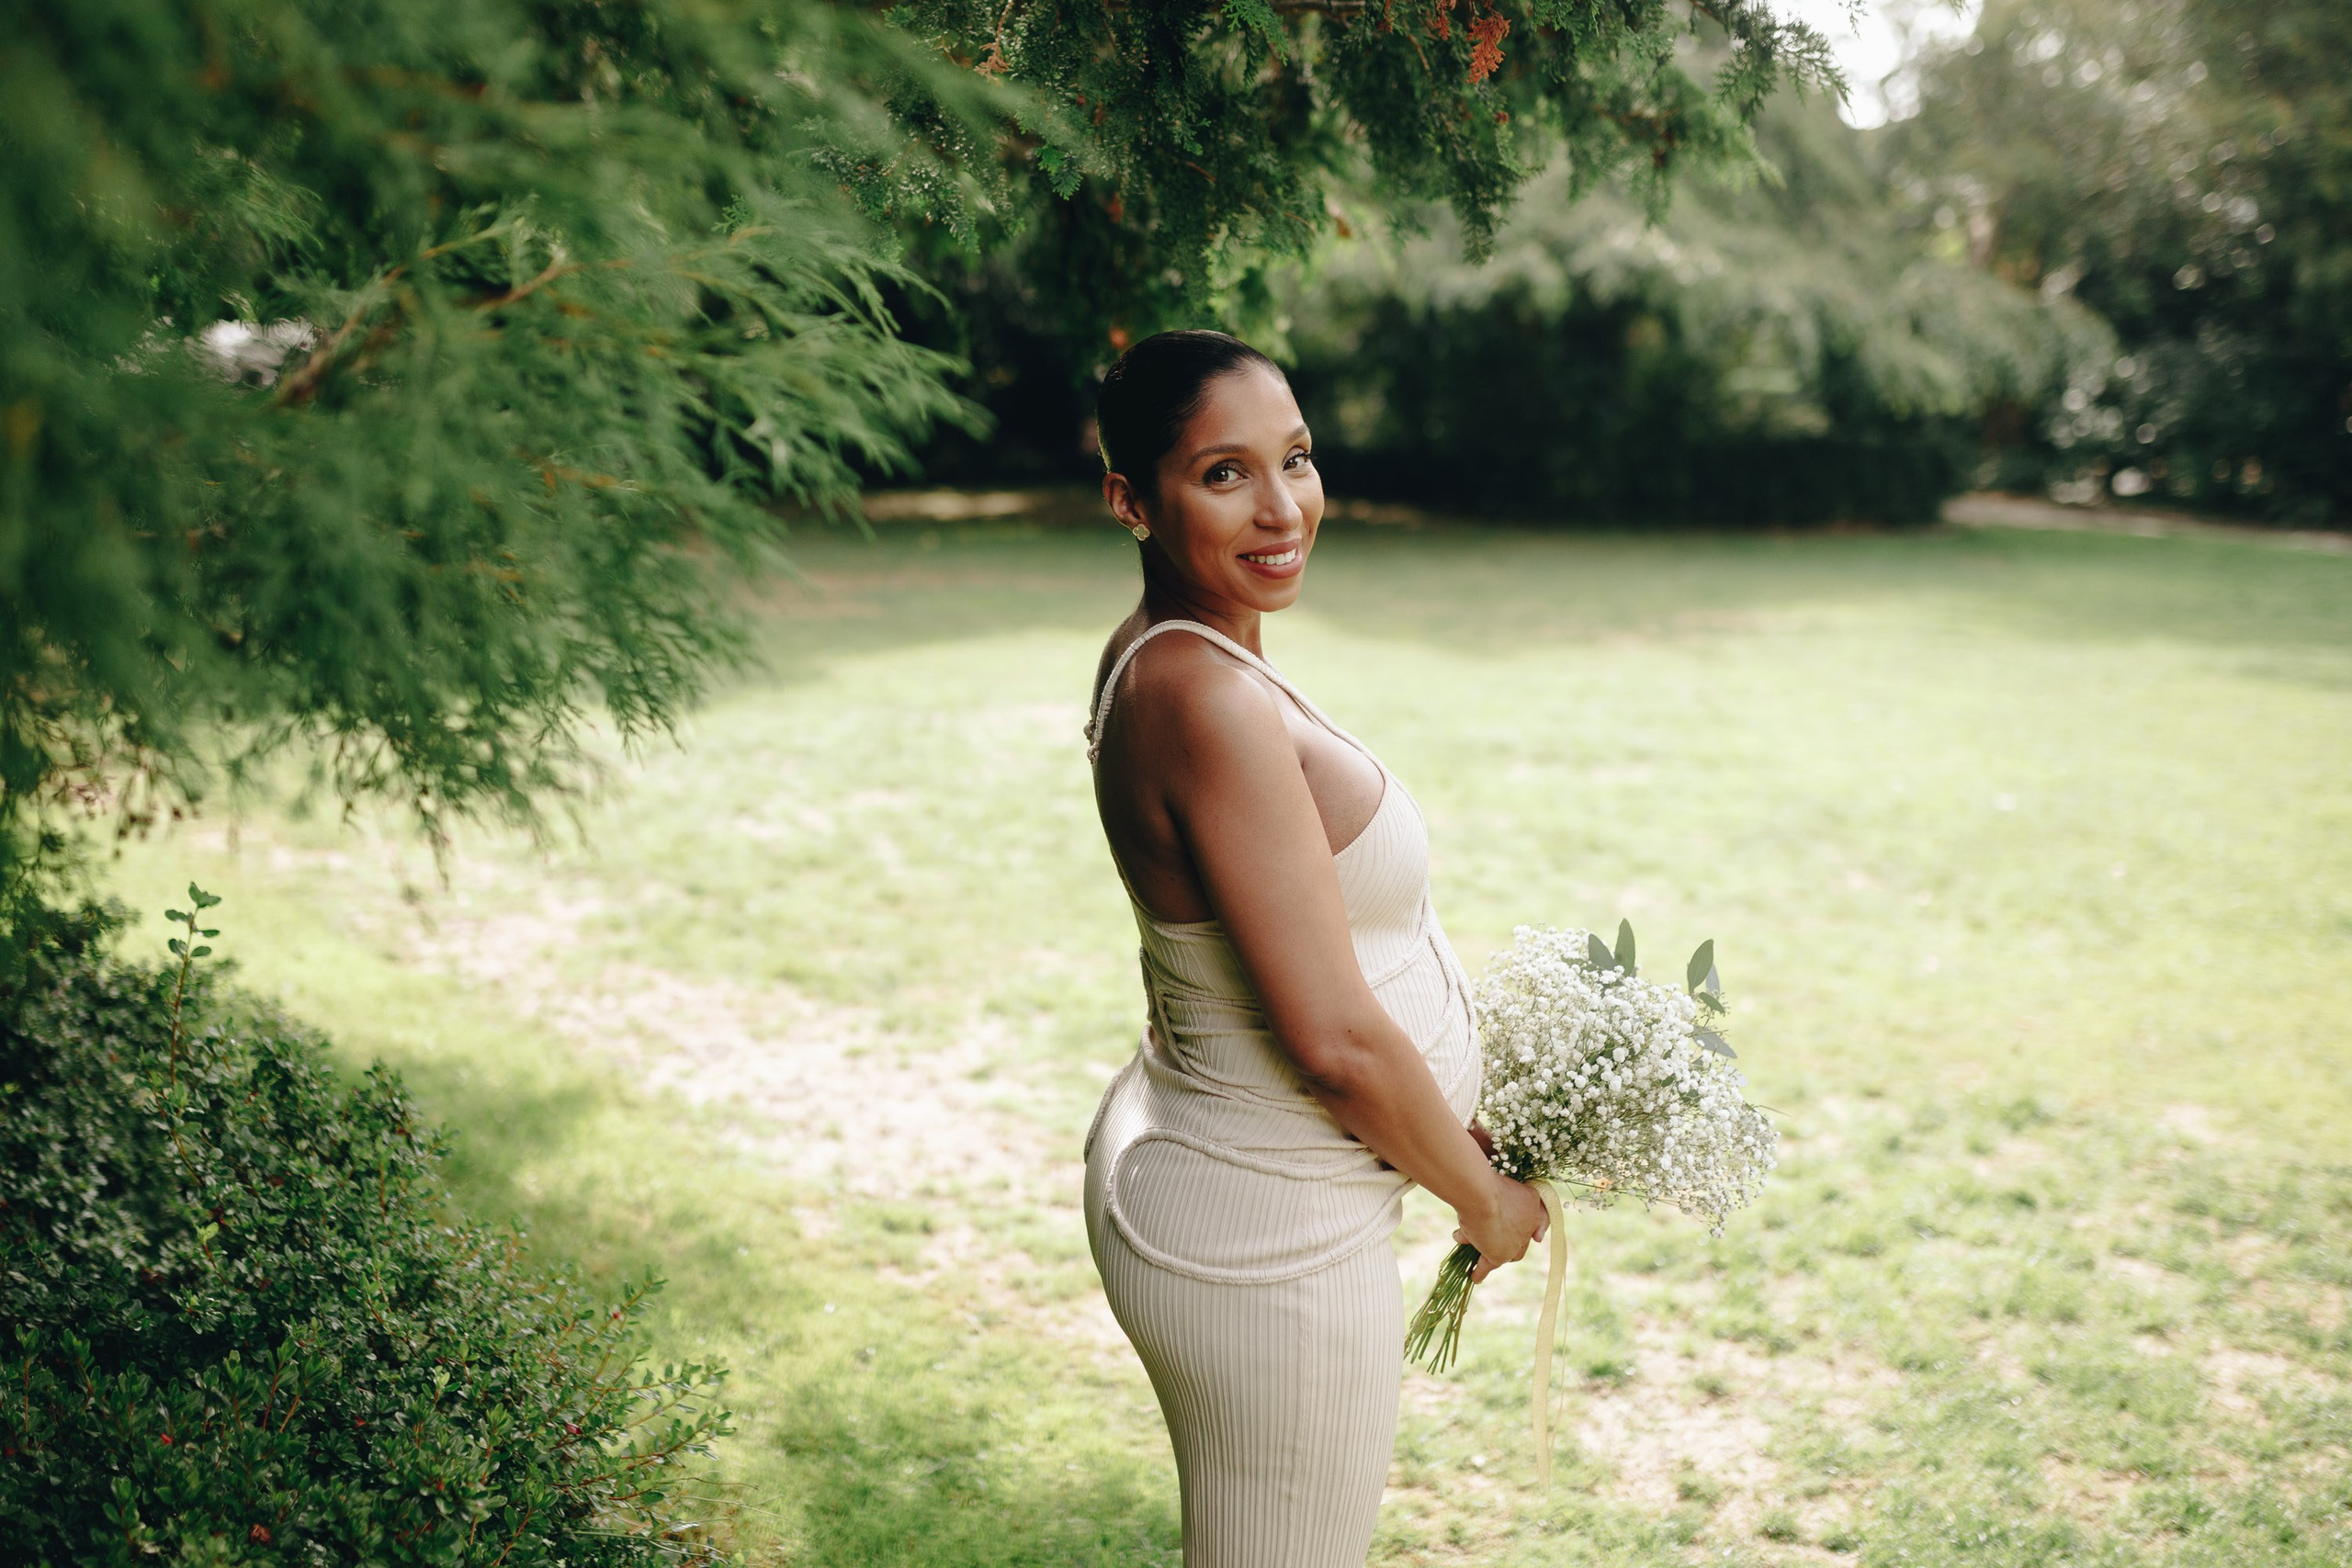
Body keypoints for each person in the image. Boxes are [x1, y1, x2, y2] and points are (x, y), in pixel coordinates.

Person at [1080, 330, 1549, 1565]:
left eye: (1295, 458)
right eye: (1222, 474)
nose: (1282, 506)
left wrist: (1446, 1133)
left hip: (1239, 1177)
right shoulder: (1203, 696)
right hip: (1264, 1241)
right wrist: (1481, 1200)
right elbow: (1334, 1041)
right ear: (1131, 496)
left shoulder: (1193, 651)